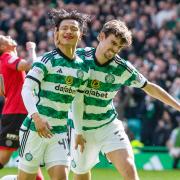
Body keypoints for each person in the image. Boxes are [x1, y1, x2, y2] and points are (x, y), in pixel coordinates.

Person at [68, 20, 180, 180]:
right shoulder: (78, 59)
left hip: (108, 125)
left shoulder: (122, 68)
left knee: (129, 171)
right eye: (112, 42)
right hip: (81, 129)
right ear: (101, 36)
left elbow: (150, 87)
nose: (114, 49)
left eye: (118, 47)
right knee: (81, 176)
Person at [18, 8, 90, 180]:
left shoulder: (83, 69)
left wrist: (79, 132)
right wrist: (37, 118)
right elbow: (26, 89)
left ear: (80, 35)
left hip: (60, 132)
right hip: (35, 129)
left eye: (74, 28)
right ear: (57, 33)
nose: (68, 31)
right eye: (64, 28)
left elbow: (78, 102)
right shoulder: (46, 60)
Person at [0, 35, 44, 180]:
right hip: (16, 113)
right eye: (4, 37)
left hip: (21, 112)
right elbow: (29, 64)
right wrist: (32, 49)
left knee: (30, 153)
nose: (8, 36)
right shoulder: (6, 57)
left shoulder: (4, 62)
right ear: (2, 47)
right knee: (3, 156)